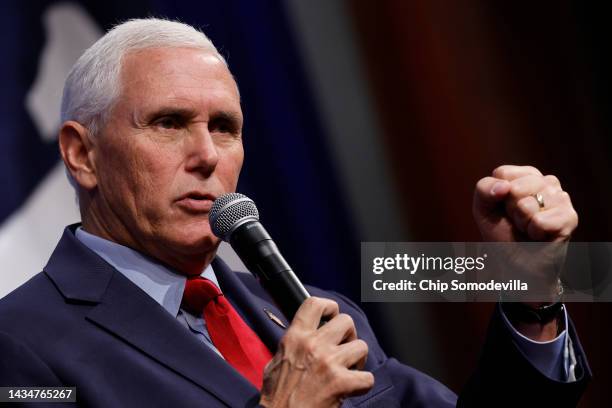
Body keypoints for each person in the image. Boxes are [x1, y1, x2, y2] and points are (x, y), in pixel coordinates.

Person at [0, 18, 590, 407]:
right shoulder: (20, 343)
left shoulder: (317, 314)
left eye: (225, 128)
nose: (207, 155)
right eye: (168, 123)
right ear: (83, 154)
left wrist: (530, 292)